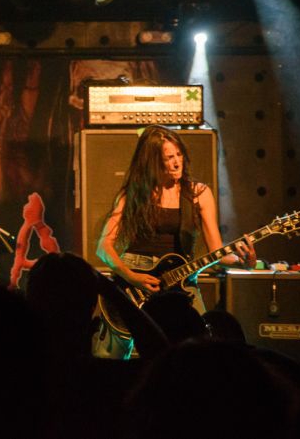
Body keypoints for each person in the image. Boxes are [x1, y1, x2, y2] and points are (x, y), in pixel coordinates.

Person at [96, 125, 255, 354]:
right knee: (114, 356)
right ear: (153, 162)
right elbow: (103, 247)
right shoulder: (132, 194)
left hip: (181, 278)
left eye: (179, 154)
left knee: (201, 349)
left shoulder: (198, 193)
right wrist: (132, 277)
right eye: (169, 158)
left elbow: (217, 253)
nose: (177, 162)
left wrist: (243, 262)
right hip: (135, 277)